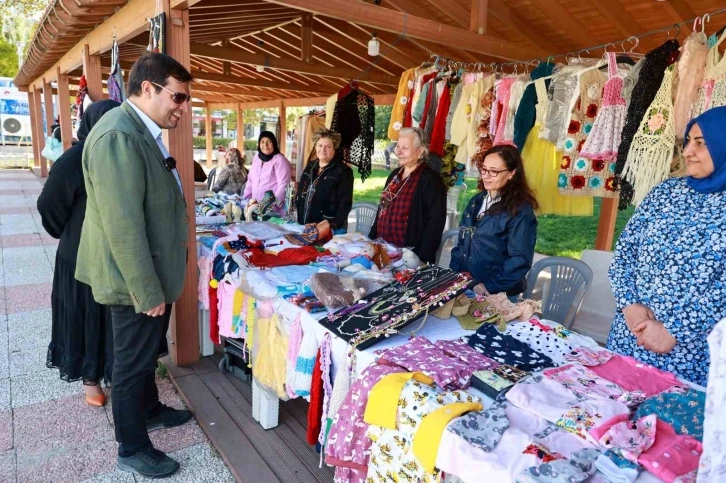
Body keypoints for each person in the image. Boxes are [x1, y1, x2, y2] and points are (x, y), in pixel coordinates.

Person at [75, 53, 194, 478]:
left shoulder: (139, 129)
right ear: (148, 88)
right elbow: (123, 226)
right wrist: (146, 290)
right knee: (129, 364)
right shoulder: (118, 136)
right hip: (133, 281)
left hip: (149, 275)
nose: (183, 107)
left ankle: (149, 409)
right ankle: (132, 446)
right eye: (178, 97)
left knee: (144, 356)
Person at [607, 106, 726, 387]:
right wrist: (629, 304)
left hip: (688, 354)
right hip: (630, 335)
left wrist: (675, 330)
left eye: (701, 143)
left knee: (666, 415)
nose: (687, 152)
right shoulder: (666, 192)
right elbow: (625, 252)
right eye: (688, 141)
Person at [37, 100, 120, 408]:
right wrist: (67, 231)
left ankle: (114, 372)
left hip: (115, 255)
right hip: (79, 254)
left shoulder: (122, 155)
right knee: (84, 314)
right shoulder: (76, 157)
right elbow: (49, 204)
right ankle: (90, 380)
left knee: (111, 316)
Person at [449, 145, 538, 297]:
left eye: (494, 171)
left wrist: (489, 287)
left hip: (498, 293)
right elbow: (462, 244)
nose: (486, 176)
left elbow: (520, 259)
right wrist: (454, 275)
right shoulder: (476, 201)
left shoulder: (520, 211)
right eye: (484, 169)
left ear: (511, 173)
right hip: (468, 285)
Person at [368, 127, 446, 263]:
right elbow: (382, 210)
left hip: (409, 258)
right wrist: (371, 240)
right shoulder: (394, 175)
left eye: (405, 148)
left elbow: (435, 224)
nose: (398, 151)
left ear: (420, 151)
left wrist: (421, 259)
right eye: (398, 146)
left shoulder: (430, 180)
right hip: (383, 251)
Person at [295, 127, 353, 232]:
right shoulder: (310, 167)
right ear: (315, 146)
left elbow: (345, 204)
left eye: (328, 146)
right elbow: (300, 192)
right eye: (320, 145)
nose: (323, 149)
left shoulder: (343, 171)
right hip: (304, 225)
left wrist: (333, 226)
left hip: (329, 229)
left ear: (334, 148)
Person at [242, 131, 291, 215]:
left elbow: (284, 185)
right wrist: (245, 199)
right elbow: (251, 180)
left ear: (274, 143)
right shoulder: (256, 158)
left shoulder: (279, 160)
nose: (265, 145)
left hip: (272, 211)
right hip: (255, 207)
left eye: (269, 142)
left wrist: (271, 204)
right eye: (262, 142)